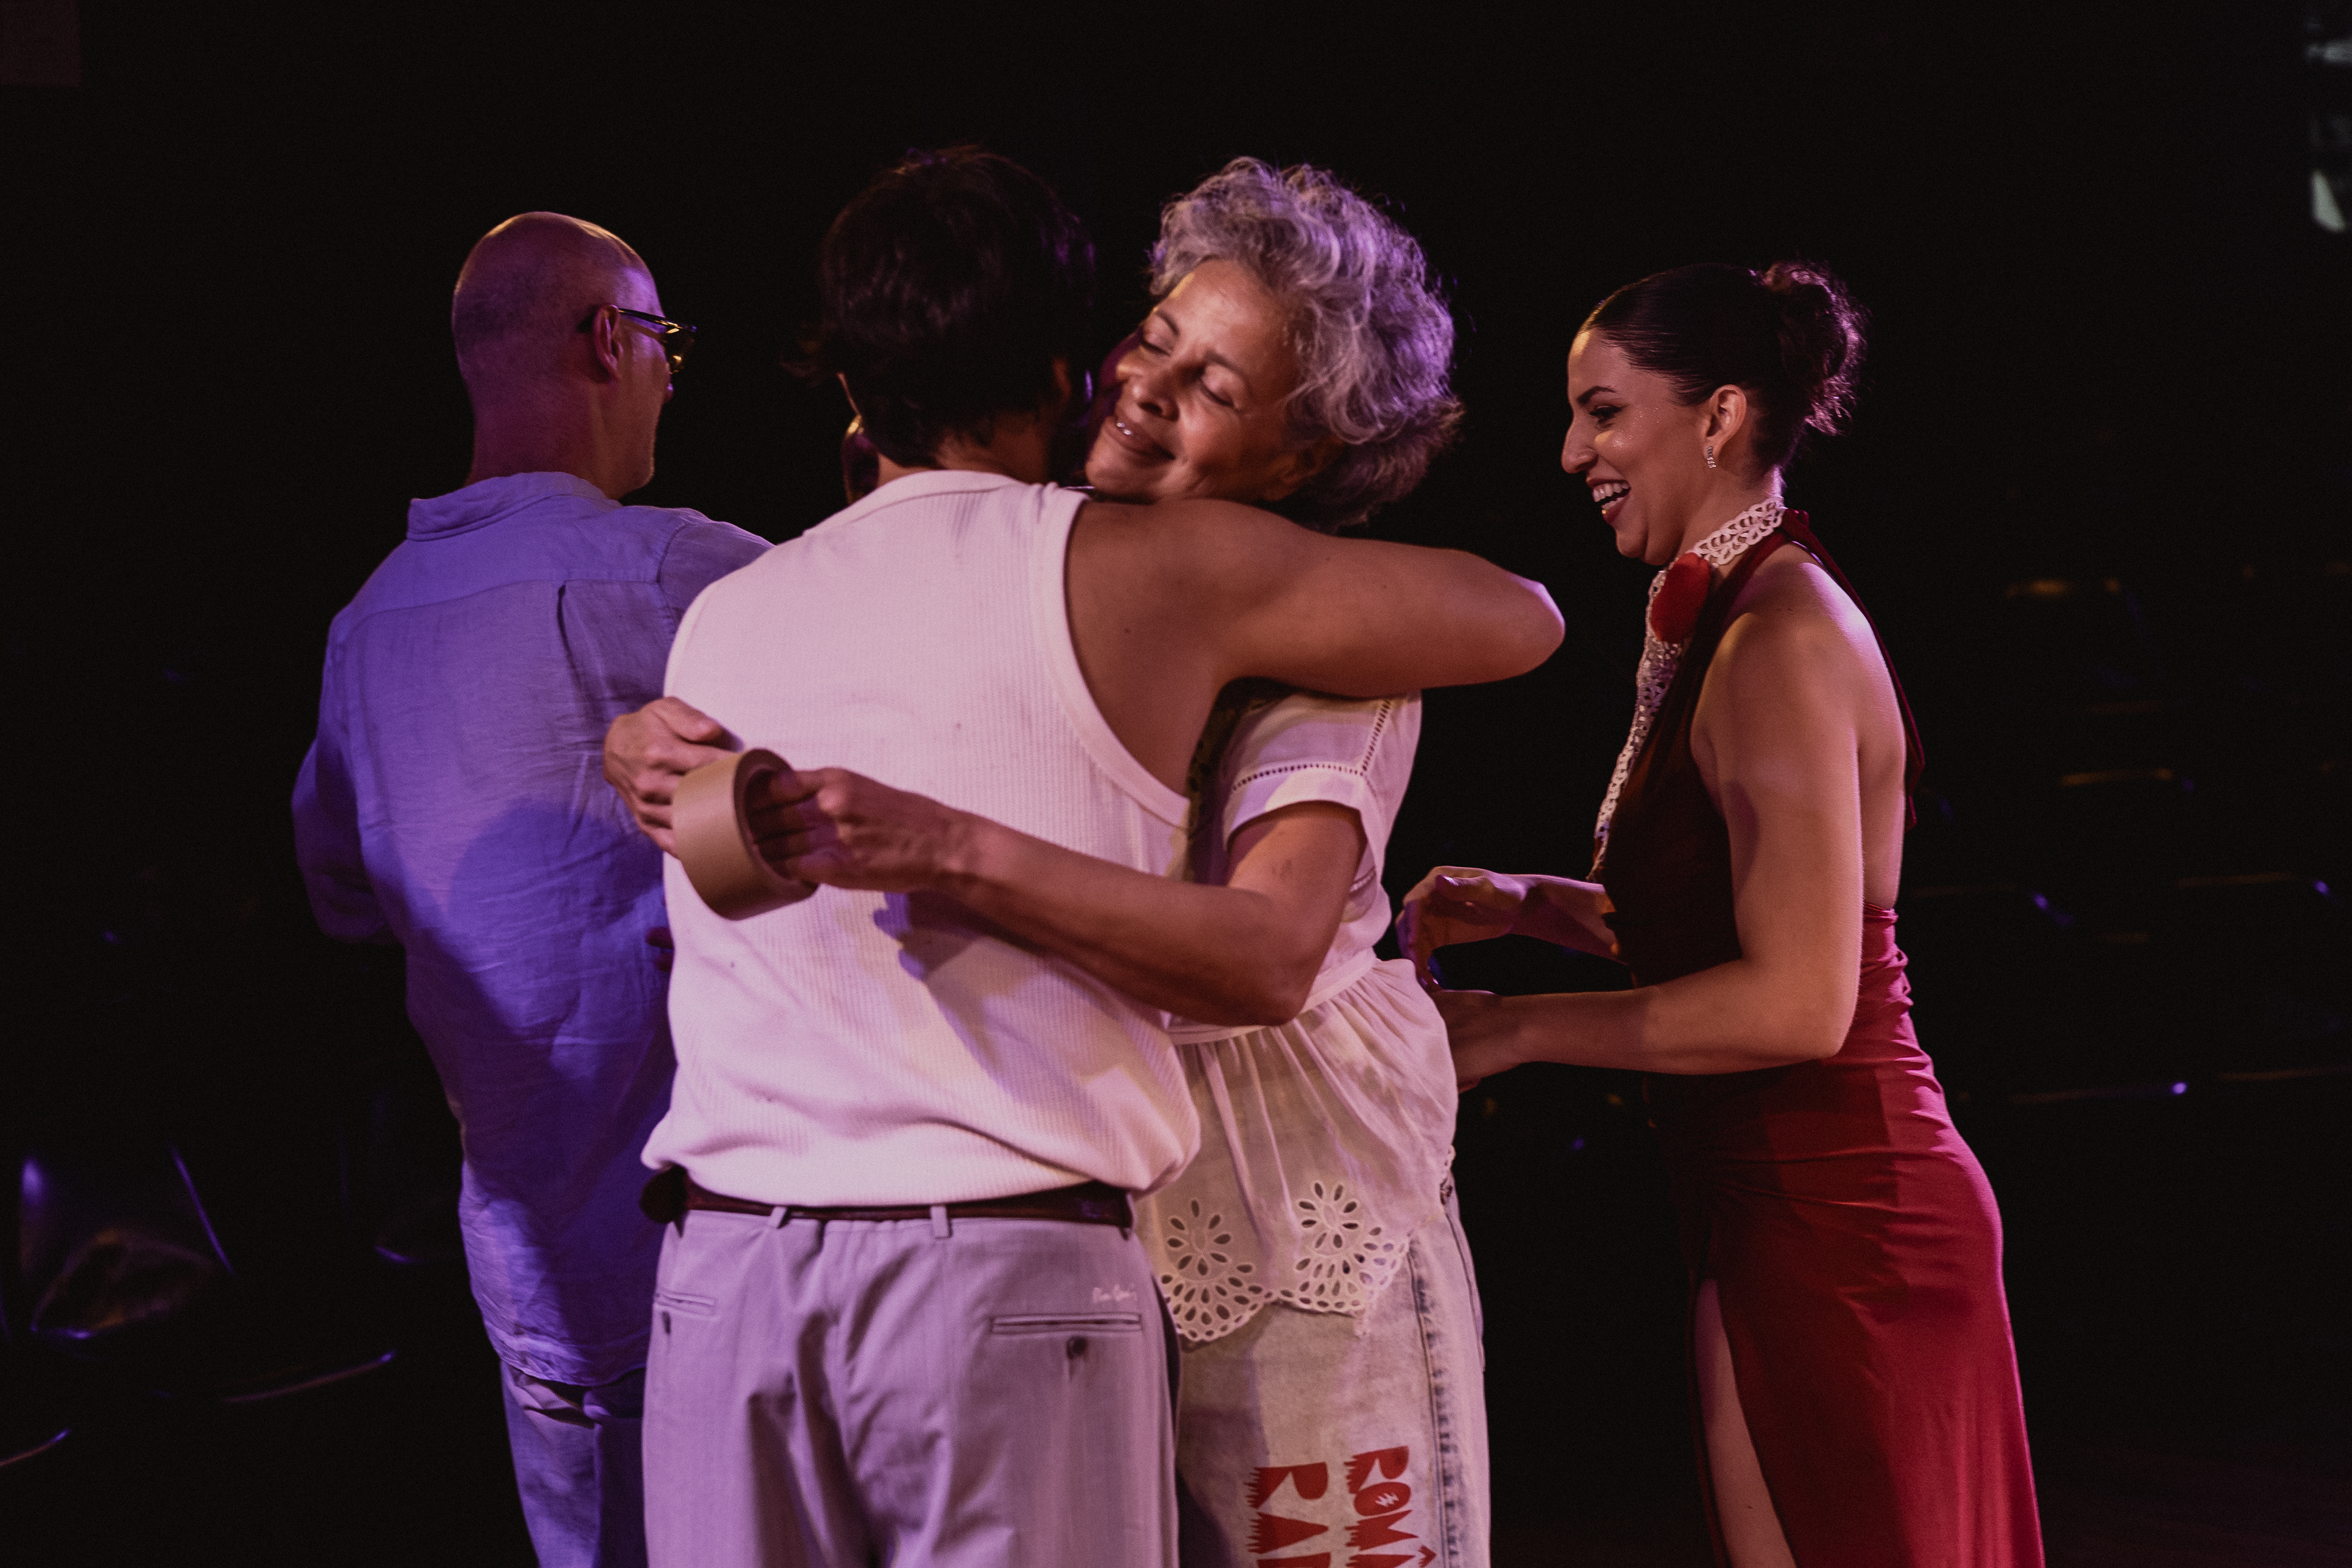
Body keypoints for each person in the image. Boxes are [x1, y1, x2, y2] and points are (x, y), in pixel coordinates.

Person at [610, 148, 1561, 1568]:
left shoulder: (1314, 638)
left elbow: (1277, 939)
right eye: (1152, 338)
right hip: (1069, 1224)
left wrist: (943, 845)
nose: (1147, 388)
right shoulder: (1035, 564)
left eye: (1214, 385)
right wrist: (649, 743)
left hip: (1282, 1206)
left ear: (1304, 458)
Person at [1398, 263, 2043, 1567]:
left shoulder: (1778, 637)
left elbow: (1798, 1000)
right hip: (1764, 1195)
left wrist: (1517, 1028)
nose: (1572, 451)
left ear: (1721, 415)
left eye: (1603, 412)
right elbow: (1725, 931)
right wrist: (1529, 904)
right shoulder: (1736, 617)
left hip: (1849, 1212)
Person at [291, 213, 768, 1568]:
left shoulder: (365, 625)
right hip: (720, 1257)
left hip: (529, 1278)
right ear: (609, 338)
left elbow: (339, 893)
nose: (671, 374)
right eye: (666, 341)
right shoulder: (676, 571)